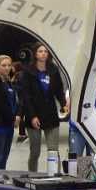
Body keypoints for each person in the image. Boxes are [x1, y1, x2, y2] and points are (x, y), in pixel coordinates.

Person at [20, 43, 68, 173]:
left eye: (46, 51)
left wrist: (64, 103)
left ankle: (55, 175)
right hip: (34, 115)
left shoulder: (53, 70)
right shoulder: (28, 71)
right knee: (35, 151)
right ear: (35, 54)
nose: (43, 54)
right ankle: (32, 174)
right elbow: (26, 96)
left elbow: (59, 91)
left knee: (53, 150)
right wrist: (32, 116)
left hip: (50, 114)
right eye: (40, 51)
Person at [69, 82, 96, 156]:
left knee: (94, 161)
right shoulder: (75, 83)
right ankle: (79, 167)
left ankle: (88, 166)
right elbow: (66, 103)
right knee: (75, 159)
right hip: (77, 129)